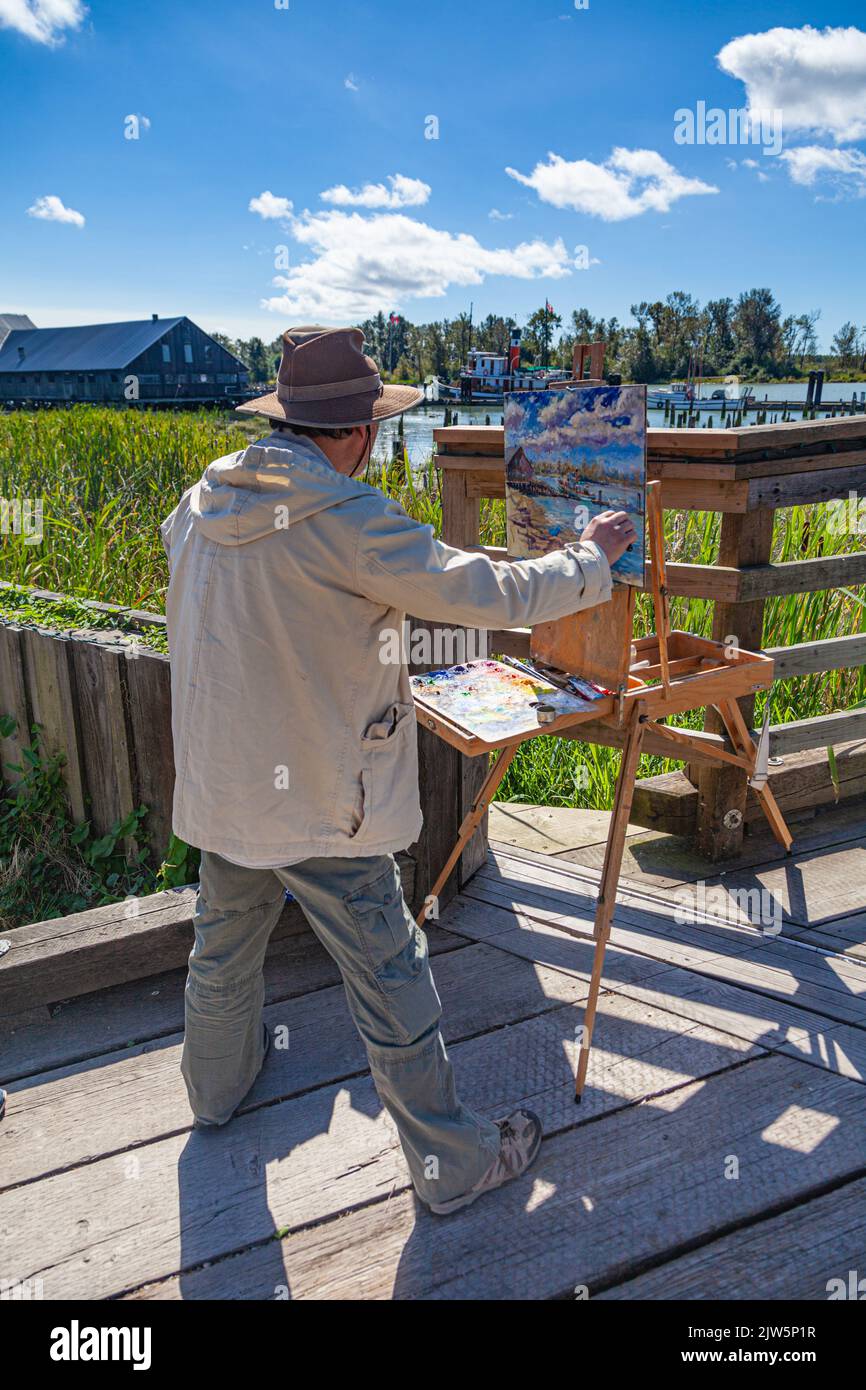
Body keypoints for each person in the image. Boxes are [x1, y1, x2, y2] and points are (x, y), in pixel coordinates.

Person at [160, 325, 636, 1215]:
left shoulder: (199, 501)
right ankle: (451, 1164)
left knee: (222, 953)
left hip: (227, 788)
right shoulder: (348, 521)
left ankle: (213, 1095)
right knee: (390, 972)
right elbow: (487, 595)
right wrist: (591, 558)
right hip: (319, 802)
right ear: (360, 432)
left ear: (284, 421)